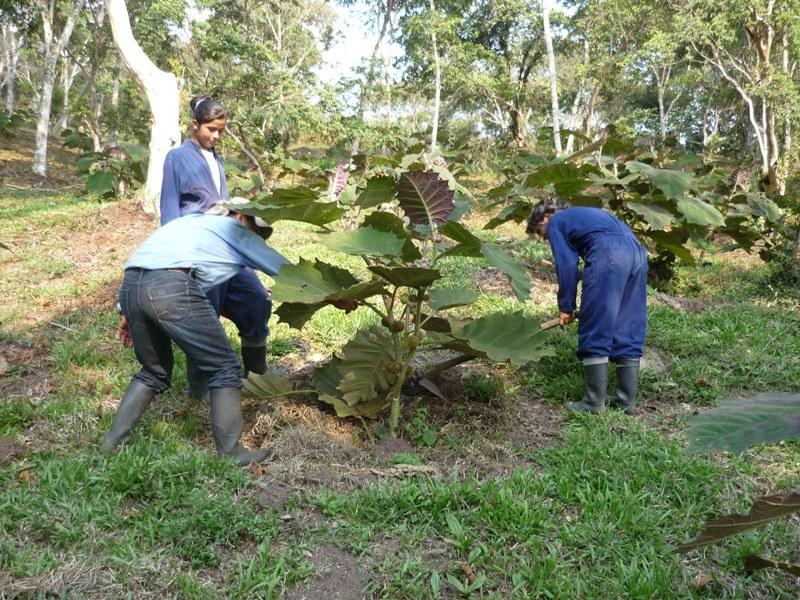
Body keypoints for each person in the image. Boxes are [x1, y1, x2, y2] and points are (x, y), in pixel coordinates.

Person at [103, 199, 287, 465]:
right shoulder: (232, 229)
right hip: (171, 287)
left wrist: (126, 310)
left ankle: (112, 444)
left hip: (132, 285)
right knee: (224, 368)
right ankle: (232, 454)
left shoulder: (189, 223)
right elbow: (285, 269)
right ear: (238, 216)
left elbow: (144, 261)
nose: (254, 236)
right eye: (254, 227)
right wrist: (335, 295)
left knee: (153, 371)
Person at [160, 95, 272, 399]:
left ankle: (256, 376)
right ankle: (202, 390)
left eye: (221, 130)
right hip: (196, 251)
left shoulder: (216, 157)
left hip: (224, 248)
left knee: (257, 300)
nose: (216, 136)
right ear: (195, 125)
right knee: (205, 320)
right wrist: (177, 262)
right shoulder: (177, 158)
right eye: (211, 129)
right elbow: (170, 211)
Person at [527, 198, 648, 414]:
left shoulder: (557, 221)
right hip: (637, 253)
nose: (544, 237)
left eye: (539, 231)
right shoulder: (586, 215)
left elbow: (566, 265)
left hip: (609, 254)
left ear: (545, 217)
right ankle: (626, 400)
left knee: (595, 324)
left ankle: (594, 402)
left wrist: (566, 305)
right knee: (627, 323)